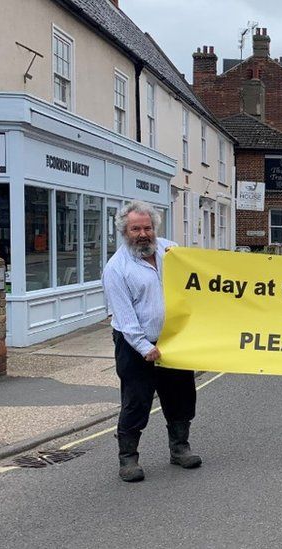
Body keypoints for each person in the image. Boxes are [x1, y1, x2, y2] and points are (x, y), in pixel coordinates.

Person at [102, 201, 201, 482]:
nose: (143, 234)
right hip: (135, 346)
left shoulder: (172, 252)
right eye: (136, 229)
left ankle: (180, 448)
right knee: (136, 401)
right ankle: (128, 459)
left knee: (181, 395)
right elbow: (125, 317)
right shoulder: (116, 269)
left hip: (173, 341)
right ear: (124, 231)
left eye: (147, 227)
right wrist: (146, 348)